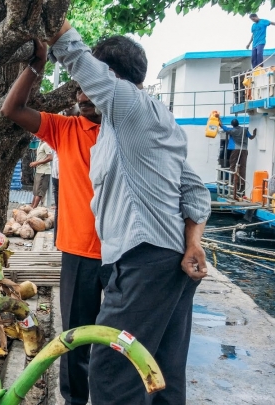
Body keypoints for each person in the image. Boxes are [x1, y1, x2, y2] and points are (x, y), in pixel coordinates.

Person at [46, 21, 211, 404]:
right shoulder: (152, 121)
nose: (82, 91)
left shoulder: (130, 106)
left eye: (92, 82)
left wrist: (52, 23)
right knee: (160, 374)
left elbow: (73, 52)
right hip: (168, 266)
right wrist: (193, 243)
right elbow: (195, 191)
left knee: (112, 369)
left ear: (112, 78)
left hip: (143, 263)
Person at [2, 58, 105, 403]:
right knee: (75, 340)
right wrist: (36, 64)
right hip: (79, 253)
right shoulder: (66, 128)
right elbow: (12, 108)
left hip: (125, 255)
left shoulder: (127, 128)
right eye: (78, 88)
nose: (82, 94)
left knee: (117, 342)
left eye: (90, 87)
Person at [221, 119, 257, 196]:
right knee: (243, 167)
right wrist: (254, 133)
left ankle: (233, 181)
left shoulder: (232, 131)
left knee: (232, 165)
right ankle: (242, 184)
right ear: (238, 123)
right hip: (244, 150)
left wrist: (218, 118)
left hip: (235, 150)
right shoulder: (245, 130)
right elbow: (251, 137)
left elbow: (222, 126)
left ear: (232, 125)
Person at [29, 138, 52, 207]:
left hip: (44, 172)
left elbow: (50, 158)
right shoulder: (40, 143)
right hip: (39, 171)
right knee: (36, 191)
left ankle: (33, 208)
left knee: (40, 192)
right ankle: (32, 207)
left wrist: (37, 163)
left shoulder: (46, 144)